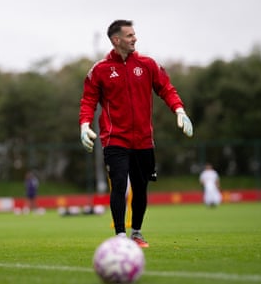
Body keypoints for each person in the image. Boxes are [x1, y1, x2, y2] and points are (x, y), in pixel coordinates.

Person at [79, 20, 193, 248]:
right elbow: (88, 100)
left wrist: (179, 110)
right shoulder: (100, 70)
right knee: (119, 184)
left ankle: (137, 233)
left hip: (143, 140)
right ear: (116, 40)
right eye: (130, 35)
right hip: (114, 140)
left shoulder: (148, 64)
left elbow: (166, 89)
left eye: (134, 34)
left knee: (140, 188)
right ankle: (120, 236)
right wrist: (84, 125)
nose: (135, 39)